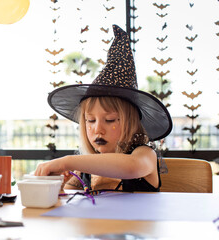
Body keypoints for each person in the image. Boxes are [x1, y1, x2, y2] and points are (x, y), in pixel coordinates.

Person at [35, 25, 173, 192]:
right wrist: (58, 187)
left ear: (130, 122)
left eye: (109, 120)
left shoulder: (144, 154)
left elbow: (132, 167)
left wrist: (67, 161)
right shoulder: (84, 168)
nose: (97, 128)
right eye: (90, 120)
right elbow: (68, 200)